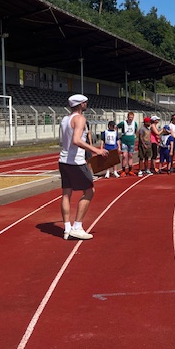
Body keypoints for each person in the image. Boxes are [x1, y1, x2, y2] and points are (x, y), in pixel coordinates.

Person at [59, 94, 108, 240]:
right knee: (89, 191)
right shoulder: (80, 119)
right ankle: (77, 226)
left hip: (63, 160)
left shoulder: (65, 119)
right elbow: (76, 140)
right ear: (81, 104)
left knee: (66, 193)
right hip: (76, 162)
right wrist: (96, 150)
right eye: (85, 102)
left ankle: (67, 228)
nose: (87, 104)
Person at [117, 112, 138, 177]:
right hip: (124, 141)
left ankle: (130, 170)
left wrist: (135, 135)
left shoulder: (134, 123)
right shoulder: (123, 123)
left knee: (130, 155)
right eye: (129, 117)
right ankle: (123, 171)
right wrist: (117, 135)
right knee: (124, 156)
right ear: (127, 117)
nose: (130, 119)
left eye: (132, 118)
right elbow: (116, 127)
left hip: (131, 141)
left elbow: (136, 129)